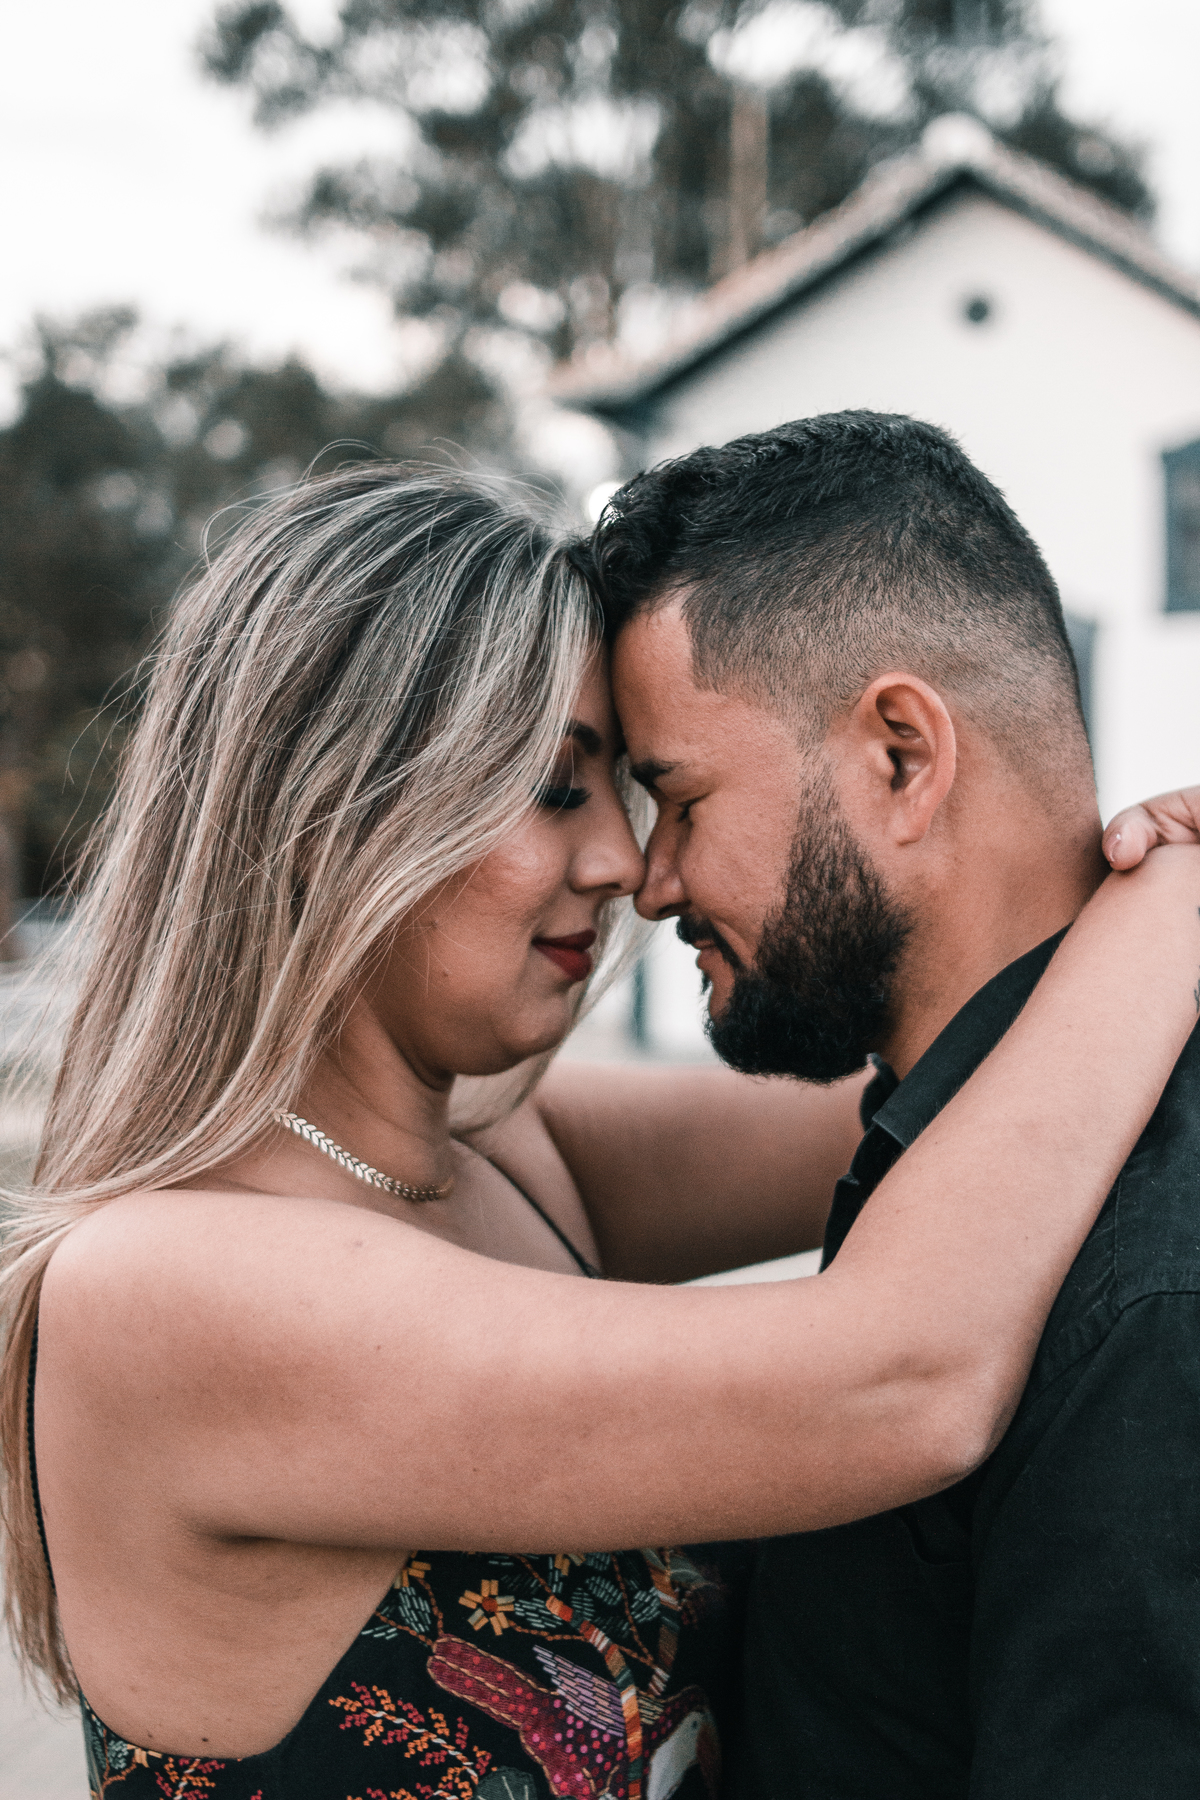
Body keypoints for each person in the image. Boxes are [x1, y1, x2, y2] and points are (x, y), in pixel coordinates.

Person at [0, 466, 1195, 1800]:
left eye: (636, 792)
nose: (629, 864)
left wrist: (1065, 876)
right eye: (561, 788)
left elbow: (968, 1079)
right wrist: (1179, 904)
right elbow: (904, 1375)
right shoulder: (163, 1291)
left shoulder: (514, 1155)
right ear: (340, 809)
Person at [589, 409, 1200, 1799]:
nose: (653, 880)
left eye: (676, 796)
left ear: (903, 759)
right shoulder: (949, 1146)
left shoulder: (1151, 1287)